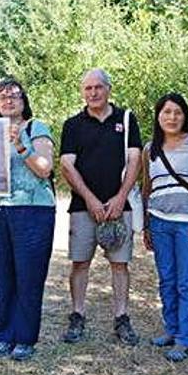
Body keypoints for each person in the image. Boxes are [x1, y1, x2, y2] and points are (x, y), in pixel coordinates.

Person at [0, 78, 55, 361]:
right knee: (2, 276)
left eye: (14, 95)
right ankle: (4, 336)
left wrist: (21, 146)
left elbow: (44, 169)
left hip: (32, 211)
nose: (8, 100)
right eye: (2, 96)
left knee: (28, 277)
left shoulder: (35, 128)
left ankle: (25, 339)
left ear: (23, 100)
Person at [59, 68, 141, 346]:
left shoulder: (126, 120)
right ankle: (77, 314)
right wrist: (91, 200)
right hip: (83, 207)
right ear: (82, 92)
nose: (93, 93)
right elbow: (67, 165)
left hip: (120, 208)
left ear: (108, 89)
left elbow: (135, 160)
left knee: (120, 264)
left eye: (98, 87)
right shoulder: (73, 125)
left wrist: (120, 198)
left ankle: (121, 317)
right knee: (80, 263)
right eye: (87, 89)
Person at [141, 93, 188, 361]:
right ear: (158, 116)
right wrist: (146, 225)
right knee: (167, 279)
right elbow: (147, 188)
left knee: (186, 282)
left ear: (185, 116)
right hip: (159, 222)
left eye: (177, 112)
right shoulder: (149, 149)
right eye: (166, 112)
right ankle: (171, 330)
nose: (172, 117)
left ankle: (185, 339)